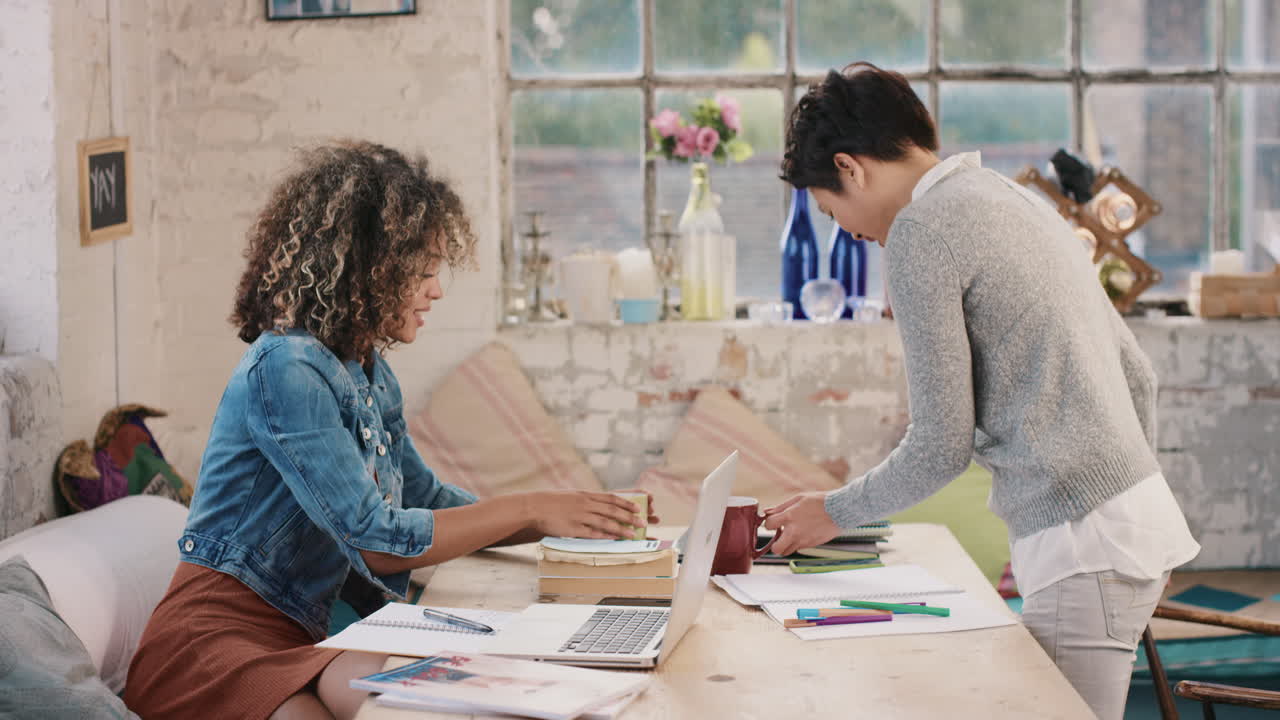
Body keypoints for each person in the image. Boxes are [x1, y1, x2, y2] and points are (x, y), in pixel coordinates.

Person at [123, 141, 657, 720]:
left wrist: (570, 520)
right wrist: (532, 508)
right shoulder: (285, 368)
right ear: (368, 271)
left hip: (303, 634)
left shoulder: (367, 372)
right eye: (423, 272)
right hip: (210, 643)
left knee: (433, 700)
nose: (436, 289)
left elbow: (427, 502)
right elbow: (376, 541)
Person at [764, 63, 1199, 720]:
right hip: (1136, 525)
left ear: (850, 168)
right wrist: (1127, 505)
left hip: (1080, 546)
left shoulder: (921, 232)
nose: (848, 231)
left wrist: (833, 511)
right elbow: (1140, 374)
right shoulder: (1011, 197)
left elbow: (940, 445)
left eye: (832, 210)